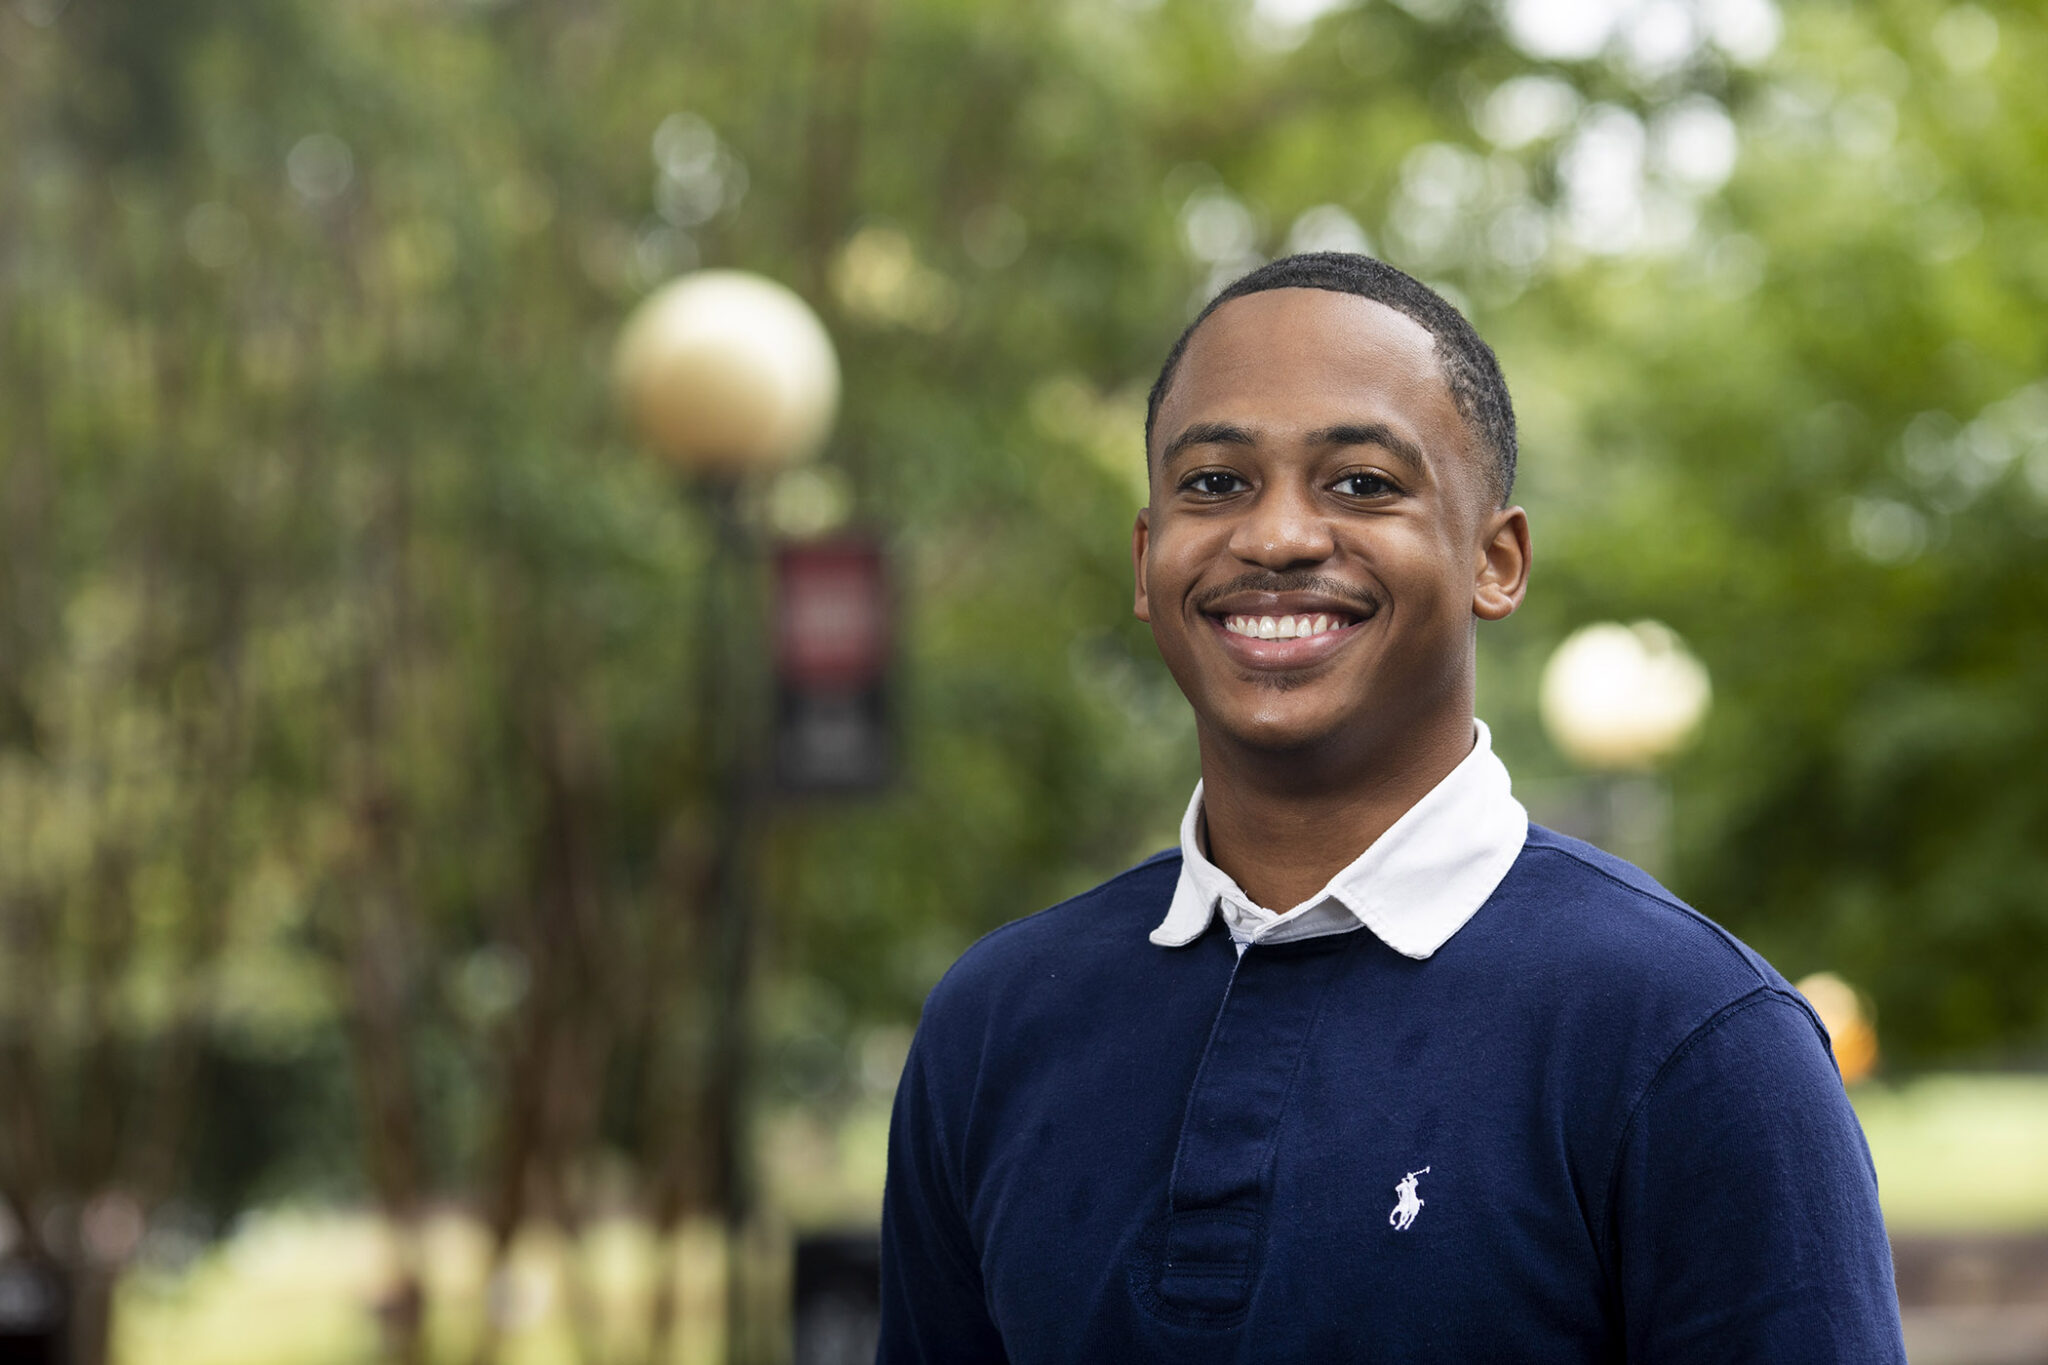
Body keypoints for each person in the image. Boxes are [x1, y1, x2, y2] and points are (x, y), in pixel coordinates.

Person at [876, 253, 1905, 1362]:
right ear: (1143, 560)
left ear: (1494, 562)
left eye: (1361, 483)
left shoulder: (1689, 1039)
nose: (1274, 538)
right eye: (1213, 483)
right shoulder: (993, 1023)